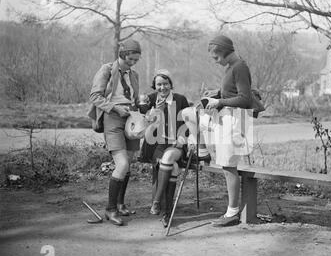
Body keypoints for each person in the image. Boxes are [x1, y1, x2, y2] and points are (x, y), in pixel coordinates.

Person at [182, 34, 253, 227]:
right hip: (224, 117)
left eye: (215, 57)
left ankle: (232, 213)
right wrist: (216, 93)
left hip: (234, 120)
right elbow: (232, 92)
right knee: (190, 113)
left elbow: (246, 99)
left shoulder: (240, 67)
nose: (215, 61)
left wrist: (219, 101)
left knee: (228, 165)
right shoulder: (231, 68)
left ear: (222, 51)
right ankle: (202, 151)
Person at [88, 39, 142, 226]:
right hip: (113, 117)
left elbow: (133, 98)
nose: (133, 62)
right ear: (123, 54)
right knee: (122, 163)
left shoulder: (134, 74)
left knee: (129, 162)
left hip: (131, 119)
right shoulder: (107, 70)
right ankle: (110, 210)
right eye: (131, 58)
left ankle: (120, 204)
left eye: (136, 59)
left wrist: (140, 108)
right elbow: (95, 96)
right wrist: (116, 109)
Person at [139, 69, 190, 227]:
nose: (162, 87)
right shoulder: (150, 99)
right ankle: (168, 214)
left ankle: (156, 202)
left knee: (169, 159)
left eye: (166, 83)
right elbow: (145, 124)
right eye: (159, 84)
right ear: (154, 85)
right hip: (156, 145)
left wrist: (183, 138)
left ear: (170, 84)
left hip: (176, 144)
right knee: (173, 168)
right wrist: (156, 111)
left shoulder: (180, 99)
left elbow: (188, 123)